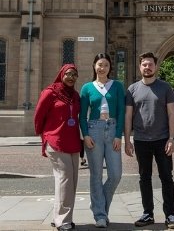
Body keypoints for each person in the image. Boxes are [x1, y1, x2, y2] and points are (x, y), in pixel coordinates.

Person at [124, 52, 174, 229]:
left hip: (162, 139)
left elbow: (172, 114)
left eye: (150, 64)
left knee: (166, 178)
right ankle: (148, 214)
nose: (147, 67)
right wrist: (127, 140)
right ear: (140, 67)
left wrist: (172, 138)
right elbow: (128, 116)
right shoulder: (132, 89)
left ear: (156, 67)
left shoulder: (165, 88)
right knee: (144, 178)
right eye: (144, 64)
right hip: (141, 140)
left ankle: (170, 215)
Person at [34, 64, 83, 231]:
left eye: (74, 75)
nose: (71, 77)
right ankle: (63, 221)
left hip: (73, 141)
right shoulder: (50, 92)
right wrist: (44, 135)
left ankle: (59, 217)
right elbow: (38, 116)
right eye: (68, 74)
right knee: (65, 179)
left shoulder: (75, 96)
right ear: (61, 74)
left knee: (71, 181)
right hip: (55, 140)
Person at [79, 53, 126, 228]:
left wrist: (118, 136)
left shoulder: (118, 86)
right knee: (96, 175)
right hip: (94, 130)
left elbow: (121, 112)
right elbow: (82, 115)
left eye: (105, 65)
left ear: (109, 68)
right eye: (99, 64)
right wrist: (86, 135)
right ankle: (100, 215)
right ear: (94, 66)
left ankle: (99, 205)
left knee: (115, 174)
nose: (102, 68)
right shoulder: (87, 88)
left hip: (112, 128)